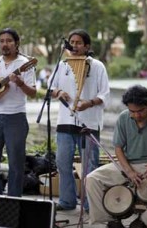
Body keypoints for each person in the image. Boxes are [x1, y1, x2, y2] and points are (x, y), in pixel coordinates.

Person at [86, 85, 147, 228]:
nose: (136, 115)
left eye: (140, 111)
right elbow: (118, 149)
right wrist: (129, 171)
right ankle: (111, 221)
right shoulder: (123, 118)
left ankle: (145, 222)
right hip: (128, 165)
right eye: (132, 111)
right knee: (91, 179)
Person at [49, 29, 110, 211]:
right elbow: (50, 88)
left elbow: (105, 94)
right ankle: (67, 202)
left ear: (87, 46)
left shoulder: (98, 66)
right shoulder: (62, 65)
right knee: (62, 163)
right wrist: (58, 92)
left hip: (88, 123)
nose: (74, 45)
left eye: (78, 43)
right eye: (72, 42)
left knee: (90, 166)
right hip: (65, 122)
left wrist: (89, 103)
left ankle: (89, 204)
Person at [0, 28, 37, 197]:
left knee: (15, 163)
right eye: (2, 41)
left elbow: (32, 93)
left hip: (15, 118)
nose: (5, 44)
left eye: (9, 40)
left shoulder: (25, 63)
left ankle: (13, 199)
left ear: (16, 43)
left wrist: (19, 82)